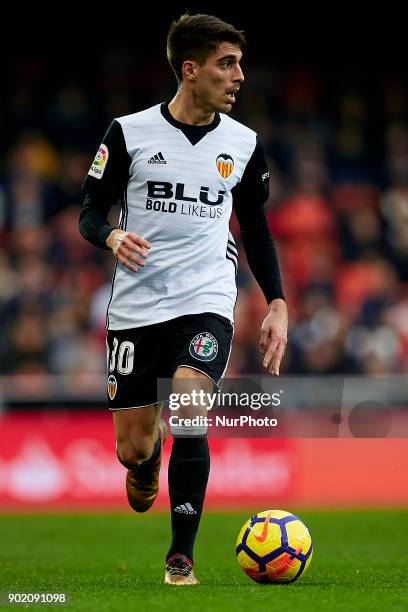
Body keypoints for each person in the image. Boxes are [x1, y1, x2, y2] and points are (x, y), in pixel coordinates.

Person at [79, 13, 288, 586]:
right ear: (190, 70)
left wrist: (277, 303)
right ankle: (147, 461)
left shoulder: (243, 144)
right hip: (136, 309)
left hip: (207, 299)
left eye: (240, 64)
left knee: (190, 412)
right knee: (134, 447)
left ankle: (181, 557)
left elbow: (256, 228)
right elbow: (90, 211)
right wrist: (113, 235)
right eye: (227, 63)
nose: (239, 76)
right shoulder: (128, 133)